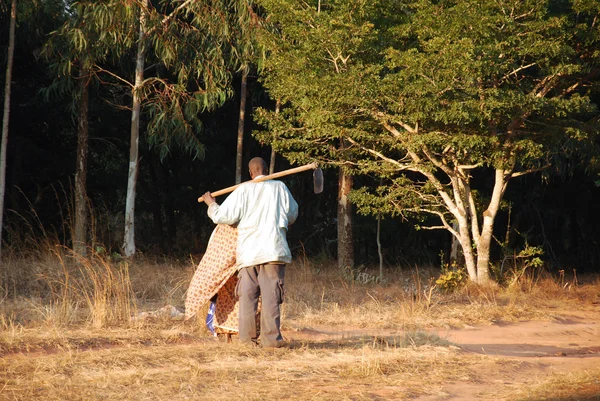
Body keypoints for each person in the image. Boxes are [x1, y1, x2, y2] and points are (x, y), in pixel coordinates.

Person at [202, 157, 298, 347]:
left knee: (247, 298)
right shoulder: (280, 188)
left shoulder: (243, 190)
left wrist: (211, 203)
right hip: (273, 252)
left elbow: (223, 216)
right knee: (271, 298)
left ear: (251, 173)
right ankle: (271, 342)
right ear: (266, 170)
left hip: (249, 254)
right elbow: (292, 214)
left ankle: (247, 342)